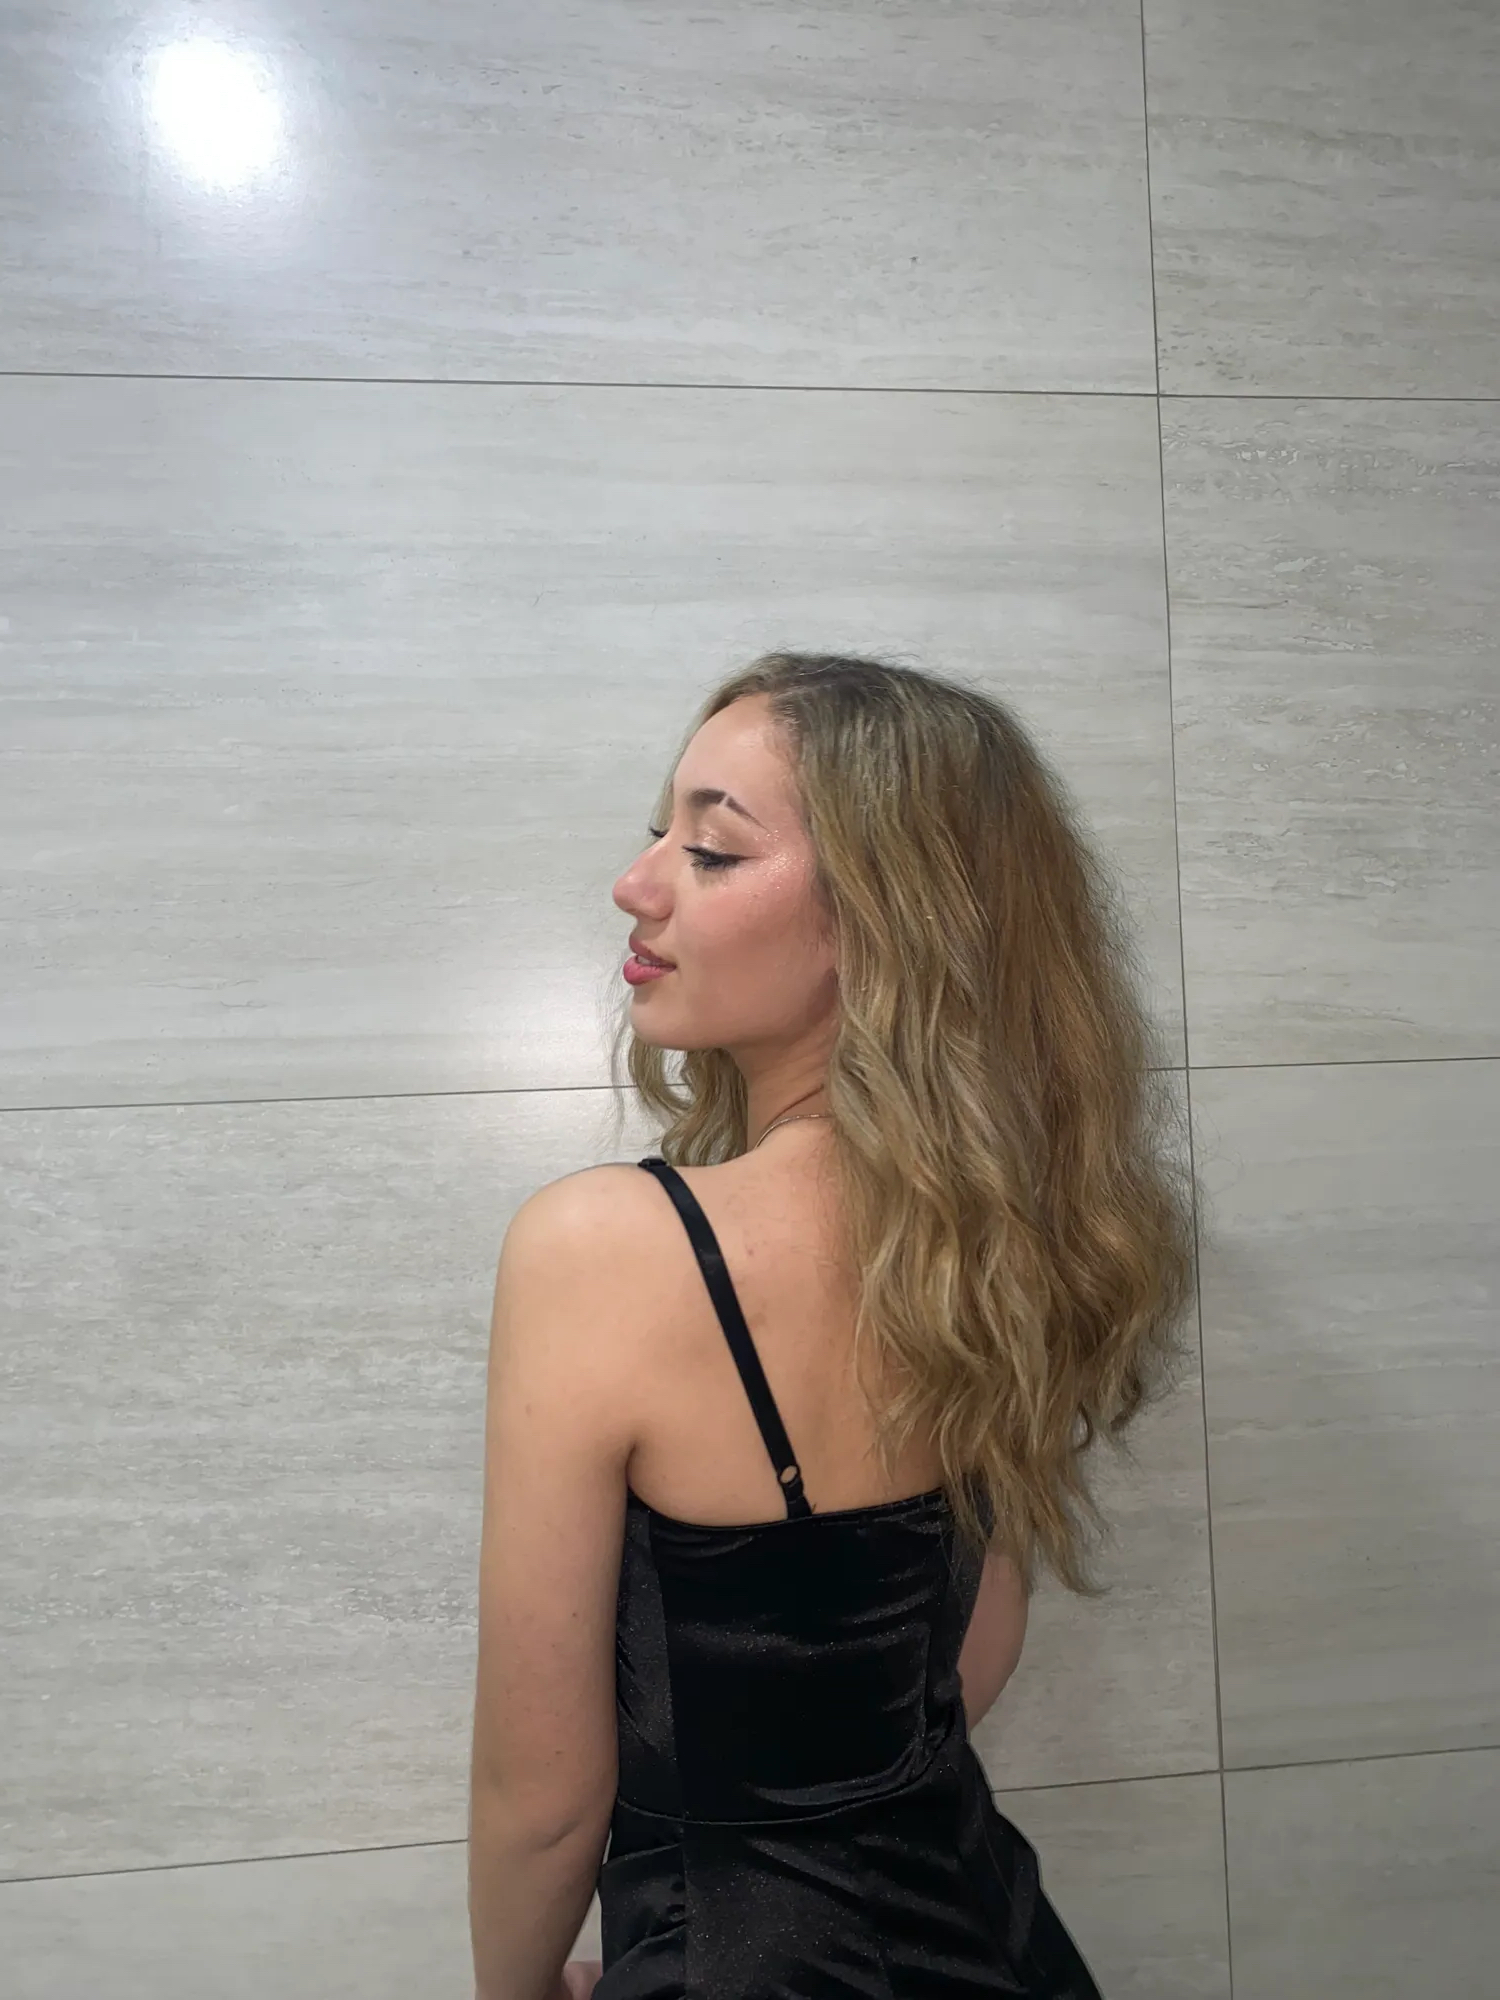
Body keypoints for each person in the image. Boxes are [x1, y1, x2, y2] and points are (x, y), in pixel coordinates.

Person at [468, 652, 1197, 1999]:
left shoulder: (609, 1248)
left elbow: (544, 1798)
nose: (637, 883)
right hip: (990, 1934)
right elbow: (968, 1656)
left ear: (885, 920)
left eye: (712, 849)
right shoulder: (1004, 1237)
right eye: (657, 835)